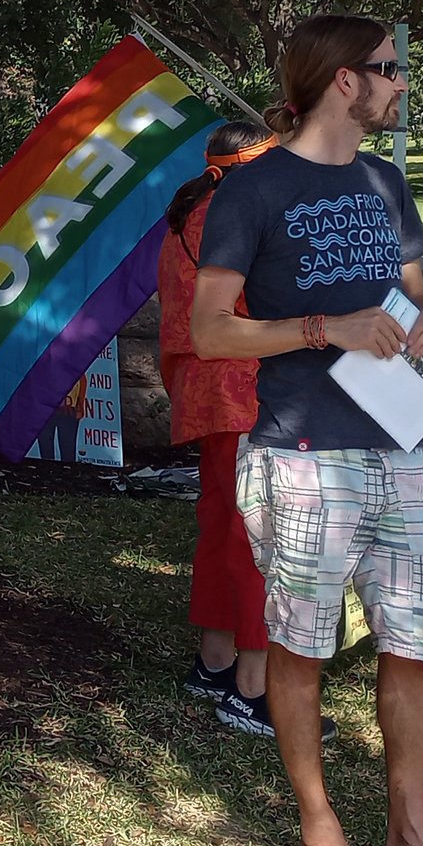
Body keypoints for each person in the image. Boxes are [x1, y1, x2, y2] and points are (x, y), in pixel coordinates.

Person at [190, 14, 423, 846]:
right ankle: (320, 824)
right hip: (304, 454)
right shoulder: (252, 192)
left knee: (417, 647)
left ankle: (411, 838)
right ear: (343, 81)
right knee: (301, 645)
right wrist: (322, 328)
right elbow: (212, 331)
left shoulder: (384, 181)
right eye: (387, 71)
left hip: (402, 447)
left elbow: (411, 291)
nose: (398, 85)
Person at [157, 118, 313, 741]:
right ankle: (253, 688)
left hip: (207, 392)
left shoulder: (190, 212)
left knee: (224, 524)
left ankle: (215, 661)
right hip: (245, 389)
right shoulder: (240, 213)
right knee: (260, 539)